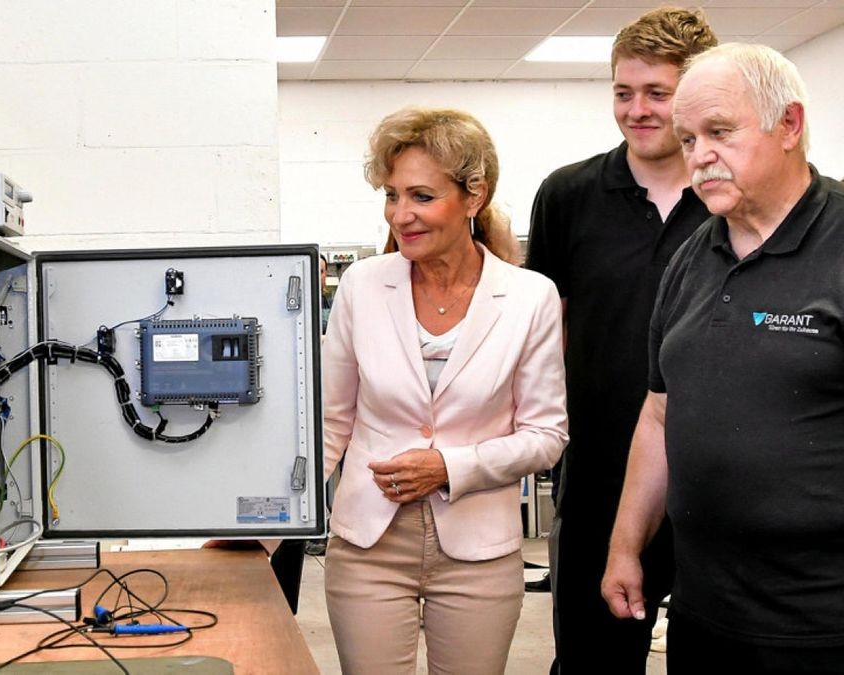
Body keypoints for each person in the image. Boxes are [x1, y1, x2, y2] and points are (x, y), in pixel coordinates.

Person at [603, 43, 844, 673]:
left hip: (823, 626)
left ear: (788, 125)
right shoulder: (691, 259)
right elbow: (659, 415)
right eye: (688, 139)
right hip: (704, 613)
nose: (699, 155)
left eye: (719, 132)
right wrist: (626, 545)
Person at [322, 107, 567, 674]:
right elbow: (331, 421)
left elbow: (546, 435)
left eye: (422, 197)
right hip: (367, 544)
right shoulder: (363, 284)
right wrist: (269, 529)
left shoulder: (530, 297)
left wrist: (449, 466)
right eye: (391, 195)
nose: (401, 215)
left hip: (479, 551)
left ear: (474, 195)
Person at [525, 7, 717, 672]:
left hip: (715, 477)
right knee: (591, 660)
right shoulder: (569, 195)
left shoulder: (733, 199)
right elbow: (543, 329)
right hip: (599, 473)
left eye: (657, 93)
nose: (636, 110)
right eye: (622, 91)